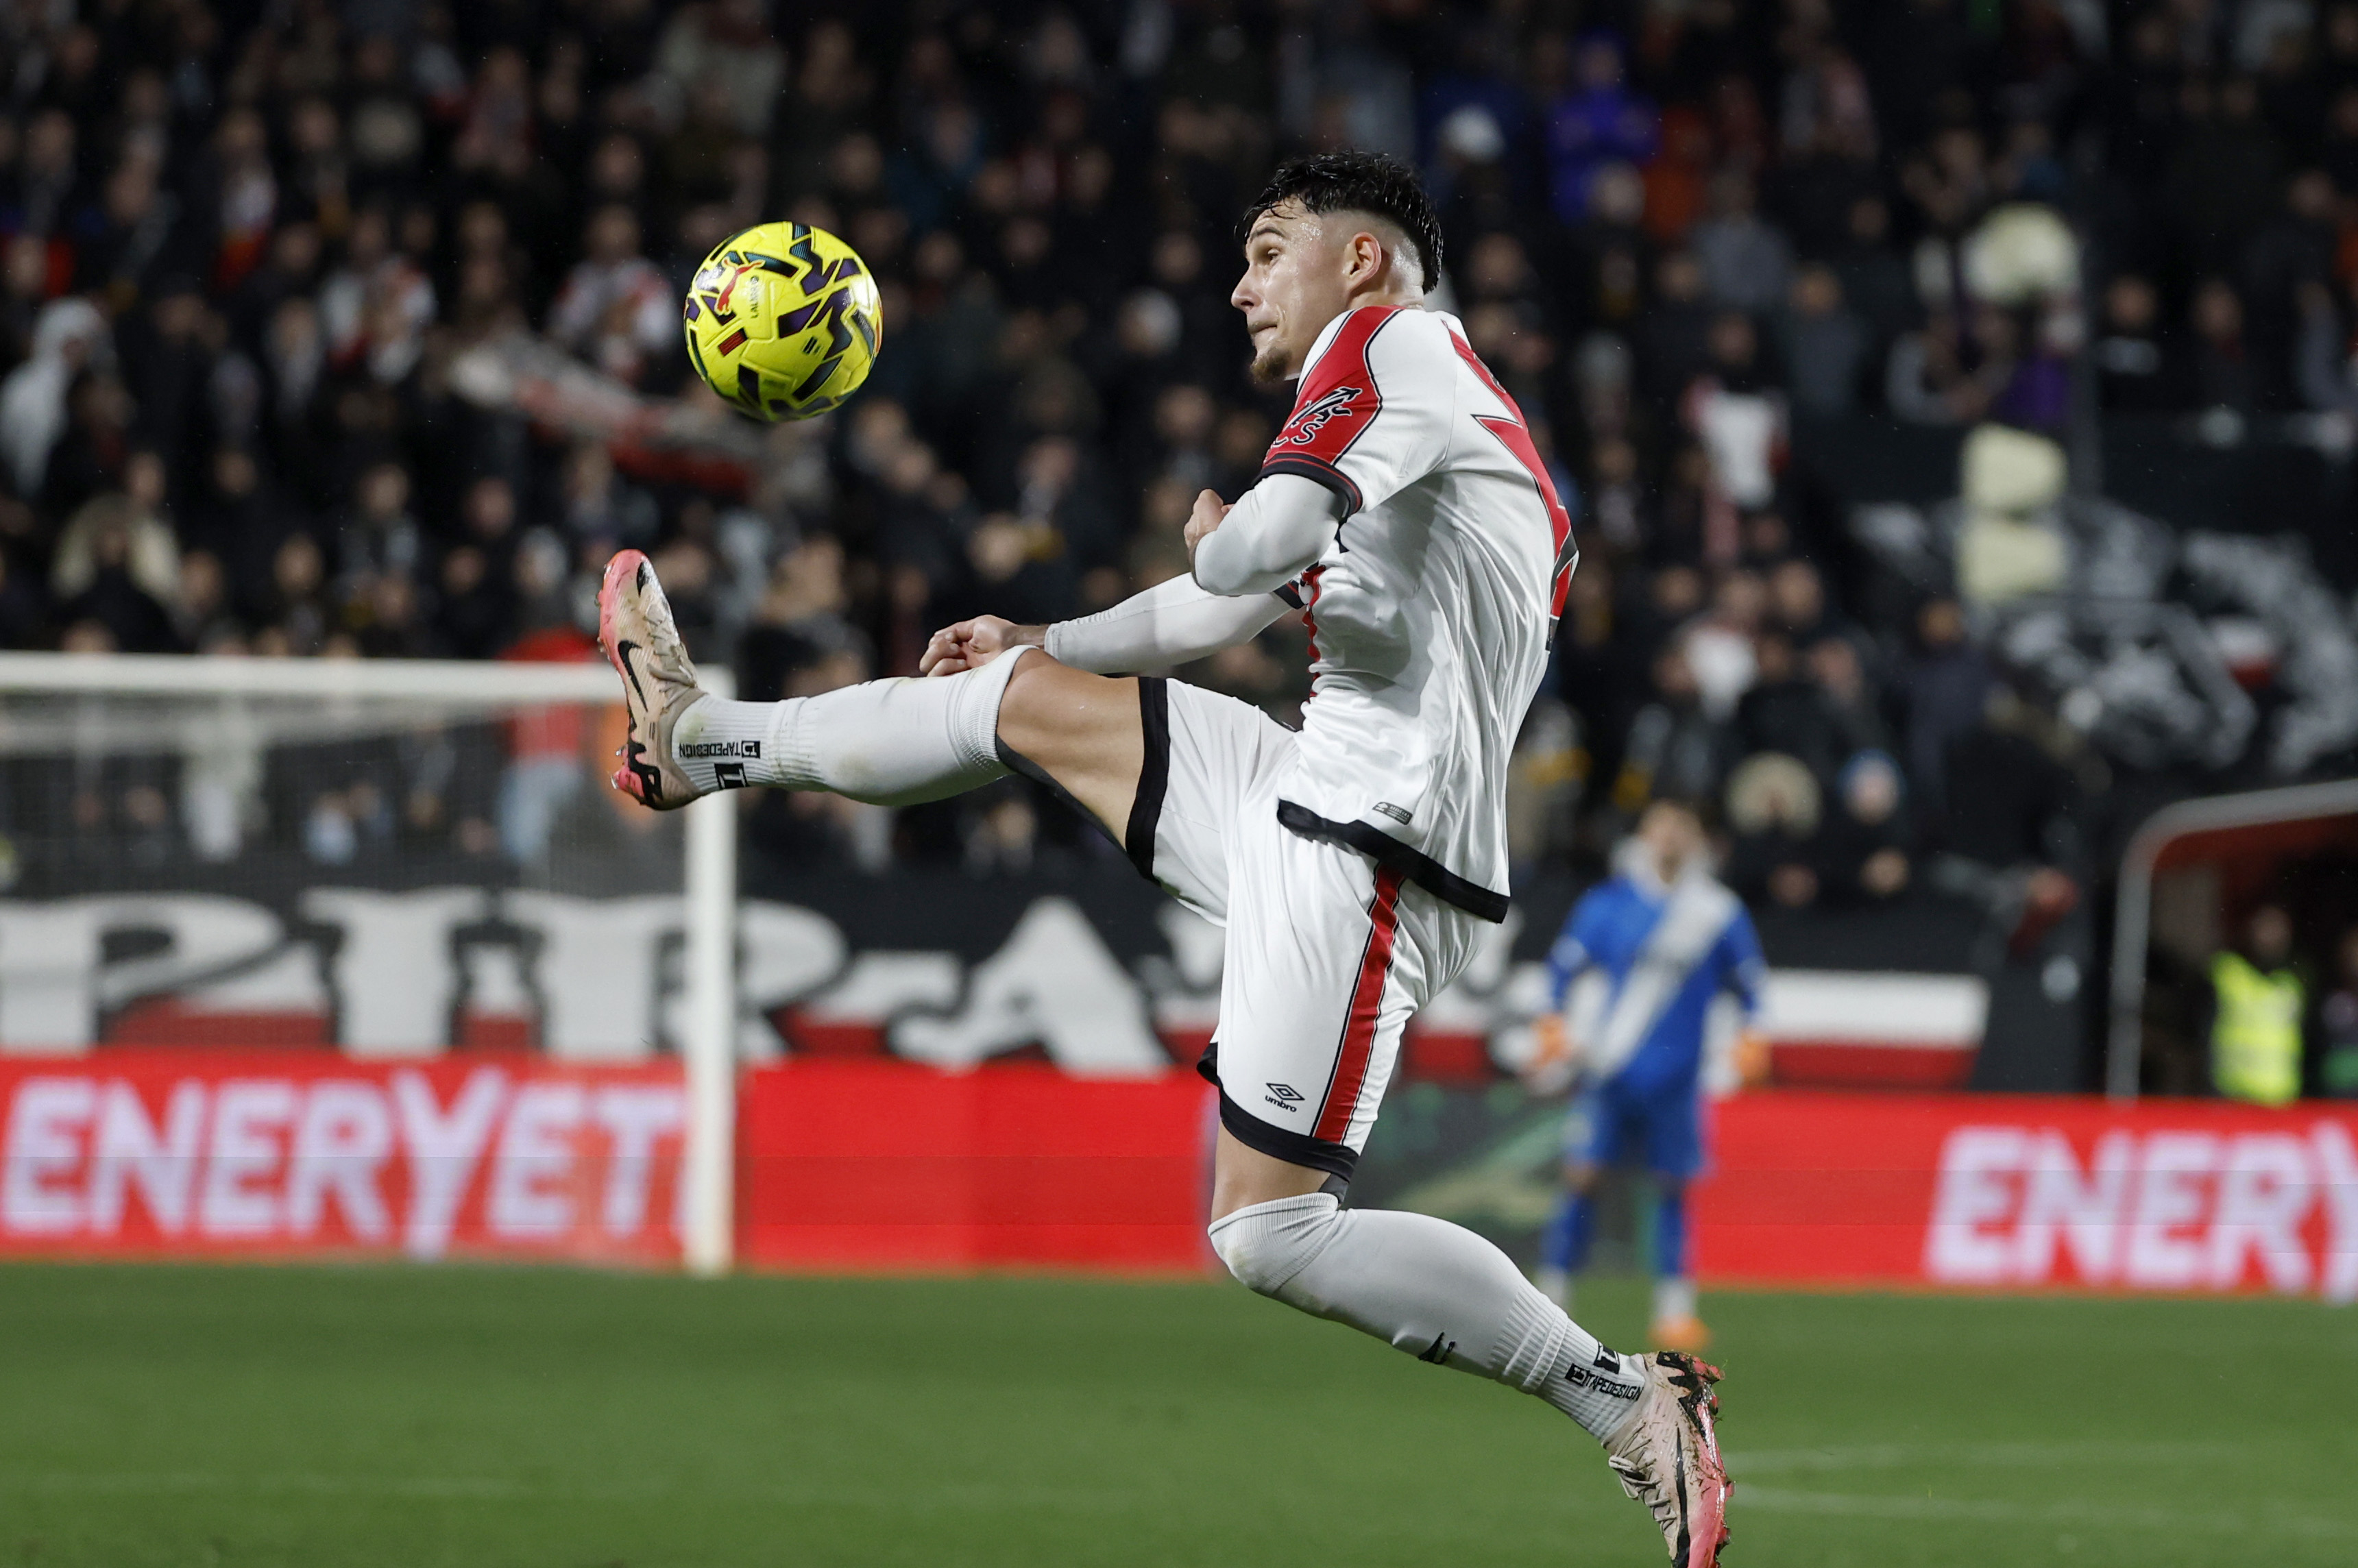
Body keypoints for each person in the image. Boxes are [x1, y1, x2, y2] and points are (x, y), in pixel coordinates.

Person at [598, 151, 1730, 1567]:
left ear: (1361, 260)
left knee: (1271, 1236)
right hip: (1309, 787)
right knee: (1013, 704)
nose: (1241, 283)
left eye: (1269, 249)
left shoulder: (1397, 352)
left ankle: (1622, 1398)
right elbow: (1212, 611)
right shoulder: (1405, 422)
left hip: (1373, 853)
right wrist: (1048, 639)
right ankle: (701, 741)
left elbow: (1250, 550)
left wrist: (1248, 539)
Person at [1533, 801, 1764, 1351]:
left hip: (1677, 1078)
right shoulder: (1610, 903)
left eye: (1680, 829)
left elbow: (1751, 983)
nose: (1669, 839)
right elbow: (1564, 967)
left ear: (1696, 839)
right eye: (1659, 828)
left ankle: (1674, 1312)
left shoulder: (1715, 911)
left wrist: (1753, 1036)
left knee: (1673, 1188)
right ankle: (1550, 1298)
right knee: (1583, 1178)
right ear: (1643, 837)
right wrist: (1552, 1021)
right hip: (1609, 1072)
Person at [2209, 904, 2304, 1107]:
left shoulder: (2293, 983)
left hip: (2280, 1098)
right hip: (2232, 1093)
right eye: (2264, 929)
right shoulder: (2226, 972)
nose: (2269, 937)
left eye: (2277, 930)